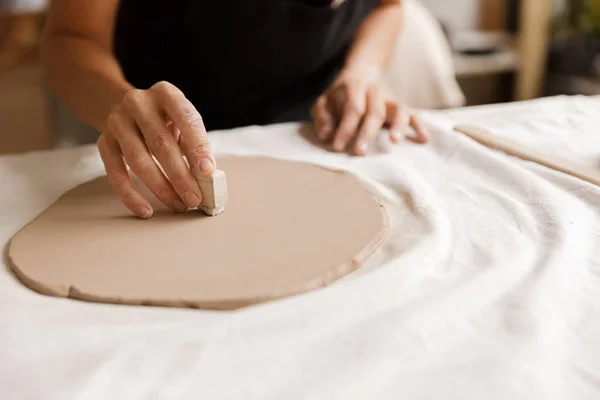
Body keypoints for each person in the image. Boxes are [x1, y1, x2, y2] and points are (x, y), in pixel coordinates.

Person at [41, 0, 429, 219]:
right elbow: (71, 39)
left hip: (308, 128)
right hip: (160, 139)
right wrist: (117, 101)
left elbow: (387, 6)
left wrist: (361, 71)